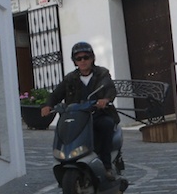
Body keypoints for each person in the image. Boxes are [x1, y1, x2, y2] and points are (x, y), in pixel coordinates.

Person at [41, 42, 120, 180]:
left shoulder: (102, 73)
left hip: (98, 115)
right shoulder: (70, 78)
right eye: (78, 58)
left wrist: (105, 100)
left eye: (86, 57)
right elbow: (56, 94)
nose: (83, 61)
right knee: (64, 129)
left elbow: (110, 88)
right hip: (77, 117)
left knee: (106, 125)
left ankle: (107, 166)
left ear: (92, 58)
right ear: (74, 61)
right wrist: (48, 105)